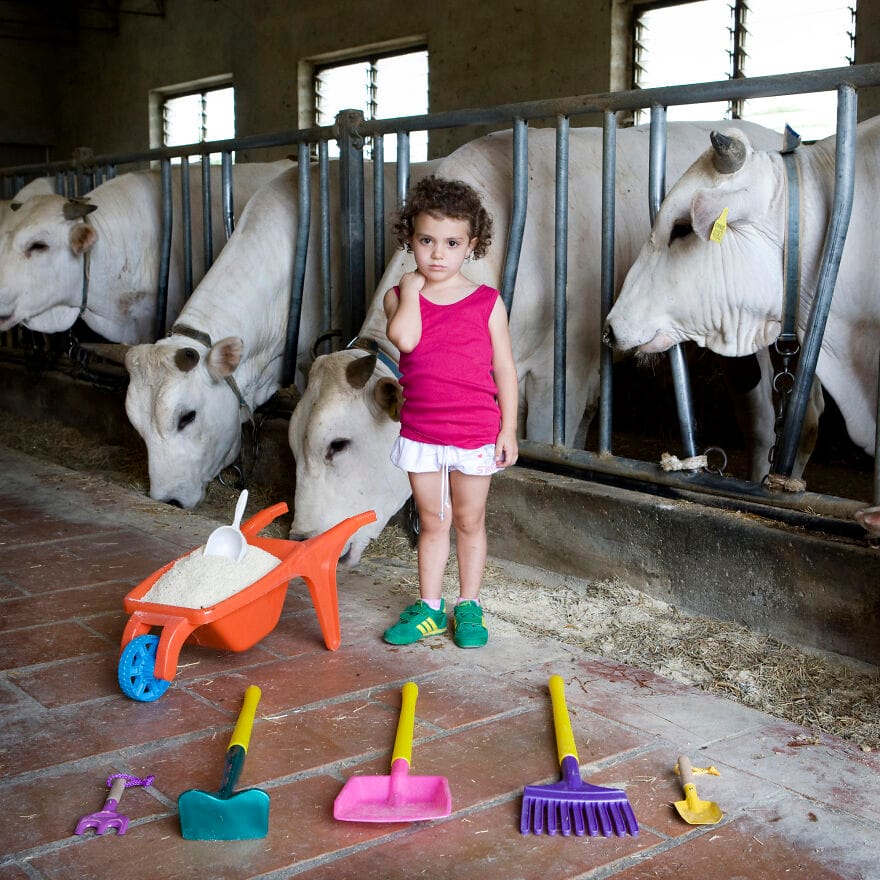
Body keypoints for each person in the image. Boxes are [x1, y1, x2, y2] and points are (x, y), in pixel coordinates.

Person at [382, 175, 518, 649]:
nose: (437, 254)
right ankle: (430, 608)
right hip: (422, 432)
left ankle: (469, 605)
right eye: (426, 241)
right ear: (410, 240)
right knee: (432, 521)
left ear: (471, 246)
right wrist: (408, 283)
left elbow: (504, 368)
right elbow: (405, 340)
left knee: (468, 521)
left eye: (451, 242)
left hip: (476, 432)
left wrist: (510, 430)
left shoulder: (487, 302)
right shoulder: (401, 298)